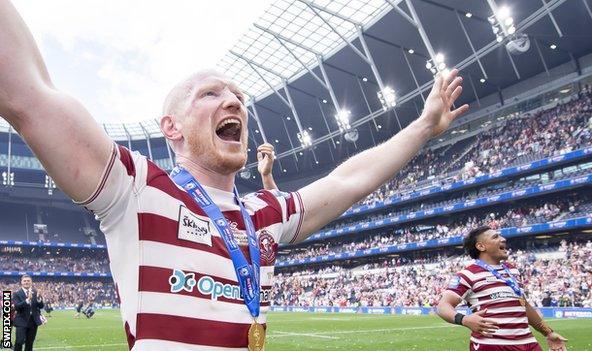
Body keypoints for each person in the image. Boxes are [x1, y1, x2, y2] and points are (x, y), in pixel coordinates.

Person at [0, 1, 468, 349]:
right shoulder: (136, 189)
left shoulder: (265, 213)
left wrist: (423, 126)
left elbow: (349, 179)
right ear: (172, 127)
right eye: (210, 93)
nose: (234, 101)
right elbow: (30, 95)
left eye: (239, 96)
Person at [436, 226, 568, 351]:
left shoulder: (512, 271)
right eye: (495, 237)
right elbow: (443, 306)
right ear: (481, 246)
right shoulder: (468, 274)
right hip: (492, 345)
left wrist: (549, 333)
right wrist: (464, 319)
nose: (503, 239)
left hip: (528, 343)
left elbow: (524, 306)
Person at [11, 275, 45, 351]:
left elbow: (41, 306)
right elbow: (16, 307)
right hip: (21, 321)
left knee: (29, 343)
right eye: (25, 281)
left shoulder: (36, 292)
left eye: (28, 281)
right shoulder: (16, 294)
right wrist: (27, 300)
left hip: (33, 321)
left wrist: (39, 298)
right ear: (21, 282)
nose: (26, 282)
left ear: (31, 282)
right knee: (19, 341)